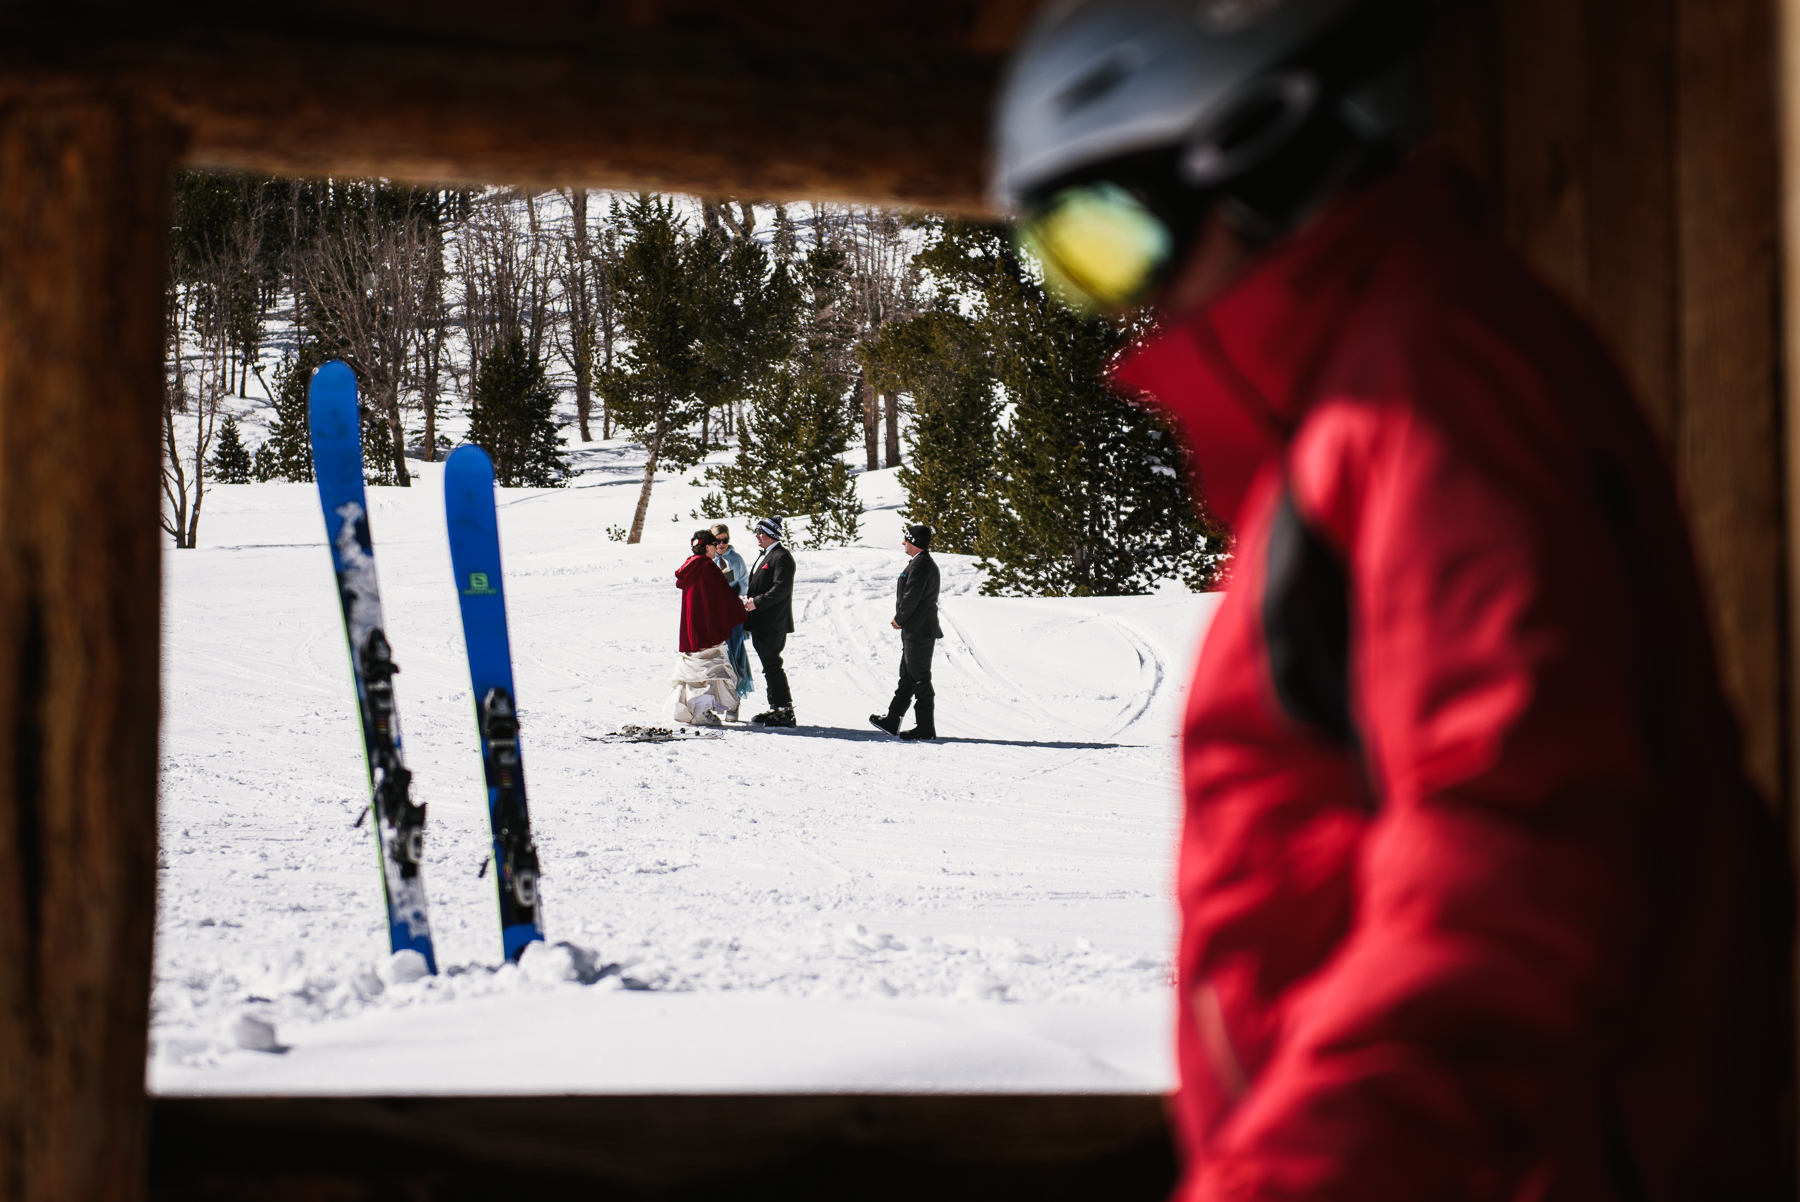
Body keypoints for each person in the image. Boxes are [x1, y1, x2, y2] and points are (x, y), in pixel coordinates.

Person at [992, 3, 1791, 1201]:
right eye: (1060, 263)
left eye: (1106, 238)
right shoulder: (1358, 406)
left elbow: (1506, 868)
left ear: (1269, 151)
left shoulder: (1425, 396)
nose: (1110, 304)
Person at [870, 523, 941, 741]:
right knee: (908, 675)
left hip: (919, 628)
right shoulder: (919, 563)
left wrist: (899, 618)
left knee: (918, 677)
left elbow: (912, 597)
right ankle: (892, 720)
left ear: (915, 543)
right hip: (916, 628)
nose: (903, 543)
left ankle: (925, 728)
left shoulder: (921, 565)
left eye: (906, 539)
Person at [667, 530, 742, 726]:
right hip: (707, 628)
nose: (717, 548)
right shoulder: (707, 567)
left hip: (692, 628)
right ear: (706, 546)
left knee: (694, 668)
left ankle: (691, 709)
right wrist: (741, 607)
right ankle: (702, 712)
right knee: (709, 669)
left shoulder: (689, 567)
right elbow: (723, 596)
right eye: (714, 544)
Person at [741, 516, 796, 727]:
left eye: (759, 532)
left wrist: (757, 602)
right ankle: (776, 708)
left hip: (772, 622)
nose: (756, 536)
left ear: (767, 534)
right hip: (761, 621)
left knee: (772, 664)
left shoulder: (782, 557)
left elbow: (781, 589)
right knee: (769, 665)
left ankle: (785, 711)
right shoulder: (768, 555)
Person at [710, 522, 755, 700]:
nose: (721, 544)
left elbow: (744, 584)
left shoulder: (736, 559)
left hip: (732, 613)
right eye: (717, 541)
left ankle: (734, 698)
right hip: (713, 614)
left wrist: (735, 595)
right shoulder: (707, 559)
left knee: (733, 653)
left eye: (725, 540)